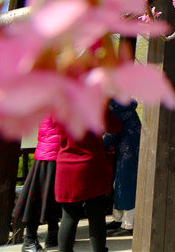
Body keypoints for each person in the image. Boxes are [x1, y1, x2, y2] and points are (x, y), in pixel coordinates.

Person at [56, 107, 122, 252]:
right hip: (92, 164)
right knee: (96, 215)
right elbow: (114, 127)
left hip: (66, 166)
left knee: (68, 216)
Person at [13, 115, 61, 252]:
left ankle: (53, 233)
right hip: (50, 153)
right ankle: (29, 240)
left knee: (51, 197)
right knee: (38, 199)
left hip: (51, 152)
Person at [103, 100, 141, 237]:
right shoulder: (124, 106)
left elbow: (110, 133)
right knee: (120, 184)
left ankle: (128, 224)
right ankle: (118, 218)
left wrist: (99, 147)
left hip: (127, 152)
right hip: (132, 150)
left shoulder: (115, 109)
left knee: (126, 185)